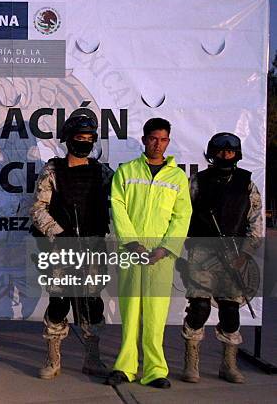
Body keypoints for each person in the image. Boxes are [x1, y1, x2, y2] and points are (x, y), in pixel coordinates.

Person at [106, 118, 192, 388]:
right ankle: (126, 367)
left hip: (160, 258)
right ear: (144, 139)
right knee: (130, 312)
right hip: (132, 253)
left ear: (168, 141)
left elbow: (182, 215)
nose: (158, 144)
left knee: (155, 314)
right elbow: (117, 206)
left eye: (163, 139)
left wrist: (166, 249)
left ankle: (155, 370)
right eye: (154, 138)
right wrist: (131, 242)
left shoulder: (177, 177)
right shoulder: (127, 172)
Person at [30, 115, 113, 379]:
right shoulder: (53, 171)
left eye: (89, 139)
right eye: (80, 138)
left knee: (91, 305)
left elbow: (124, 204)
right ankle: (53, 359)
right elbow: (38, 209)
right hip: (61, 250)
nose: (85, 143)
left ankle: (92, 359)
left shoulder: (104, 173)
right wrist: (60, 234)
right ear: (68, 139)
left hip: (93, 249)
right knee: (59, 304)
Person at [181, 132, 262, 384]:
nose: (224, 155)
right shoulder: (197, 181)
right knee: (200, 308)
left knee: (230, 311)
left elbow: (255, 222)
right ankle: (191, 365)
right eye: (220, 151)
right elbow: (183, 216)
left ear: (236, 154)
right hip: (202, 253)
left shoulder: (246, 183)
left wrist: (246, 253)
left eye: (229, 151)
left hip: (234, 254)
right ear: (211, 153)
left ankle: (228, 365)